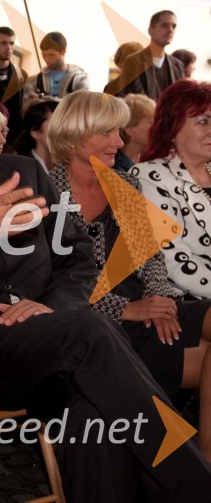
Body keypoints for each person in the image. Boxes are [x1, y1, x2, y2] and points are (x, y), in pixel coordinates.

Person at [0, 76, 211, 503]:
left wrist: (50, 307)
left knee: (91, 414)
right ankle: (197, 486)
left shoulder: (22, 171)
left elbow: (76, 252)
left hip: (50, 340)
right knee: (90, 331)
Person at [47, 90, 211, 460]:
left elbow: (151, 256)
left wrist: (162, 301)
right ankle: (195, 469)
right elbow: (52, 288)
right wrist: (126, 308)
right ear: (74, 135)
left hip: (145, 304)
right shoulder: (44, 195)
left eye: (119, 132)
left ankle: (202, 465)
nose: (119, 142)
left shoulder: (125, 182)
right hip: (94, 324)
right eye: (107, 133)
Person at [131, 79, 211, 300]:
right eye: (203, 121)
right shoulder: (148, 177)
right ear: (172, 129)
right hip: (182, 300)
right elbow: (172, 263)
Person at [117, 10, 185, 100]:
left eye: (174, 26)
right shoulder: (133, 62)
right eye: (164, 25)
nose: (170, 30)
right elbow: (130, 100)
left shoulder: (178, 65)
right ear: (150, 30)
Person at [24, 31, 89, 101]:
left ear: (63, 51)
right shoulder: (34, 81)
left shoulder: (80, 79)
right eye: (44, 55)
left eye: (51, 55)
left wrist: (43, 98)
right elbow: (26, 108)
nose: (47, 60)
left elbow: (79, 106)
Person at [12, 99, 58, 172]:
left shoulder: (67, 167)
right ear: (35, 132)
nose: (62, 130)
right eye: (55, 124)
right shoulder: (22, 168)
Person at [115, 93, 155, 171]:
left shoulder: (152, 158)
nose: (156, 127)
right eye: (151, 122)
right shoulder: (115, 168)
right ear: (130, 130)